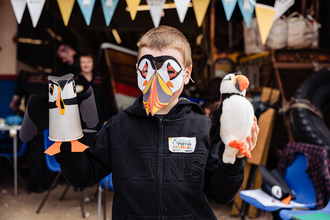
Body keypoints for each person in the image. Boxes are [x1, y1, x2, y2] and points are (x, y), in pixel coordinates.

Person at [55, 26, 259, 219]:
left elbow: (221, 194)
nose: (156, 79)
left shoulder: (203, 129)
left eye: (169, 71)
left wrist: (234, 158)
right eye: (147, 69)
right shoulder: (118, 127)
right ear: (138, 70)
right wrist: (65, 140)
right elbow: (83, 176)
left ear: (186, 74)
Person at [9, 71, 56, 193]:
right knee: (49, 152)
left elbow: (13, 104)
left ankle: (37, 184)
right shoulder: (50, 86)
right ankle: (50, 182)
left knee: (35, 153)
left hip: (34, 121)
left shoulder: (24, 85)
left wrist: (19, 113)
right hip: (51, 123)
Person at [73, 52, 110, 131]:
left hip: (98, 119)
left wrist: (106, 119)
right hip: (80, 121)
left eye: (88, 62)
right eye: (83, 62)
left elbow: (105, 100)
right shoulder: (75, 80)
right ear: (79, 64)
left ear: (93, 63)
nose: (86, 65)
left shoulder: (99, 79)